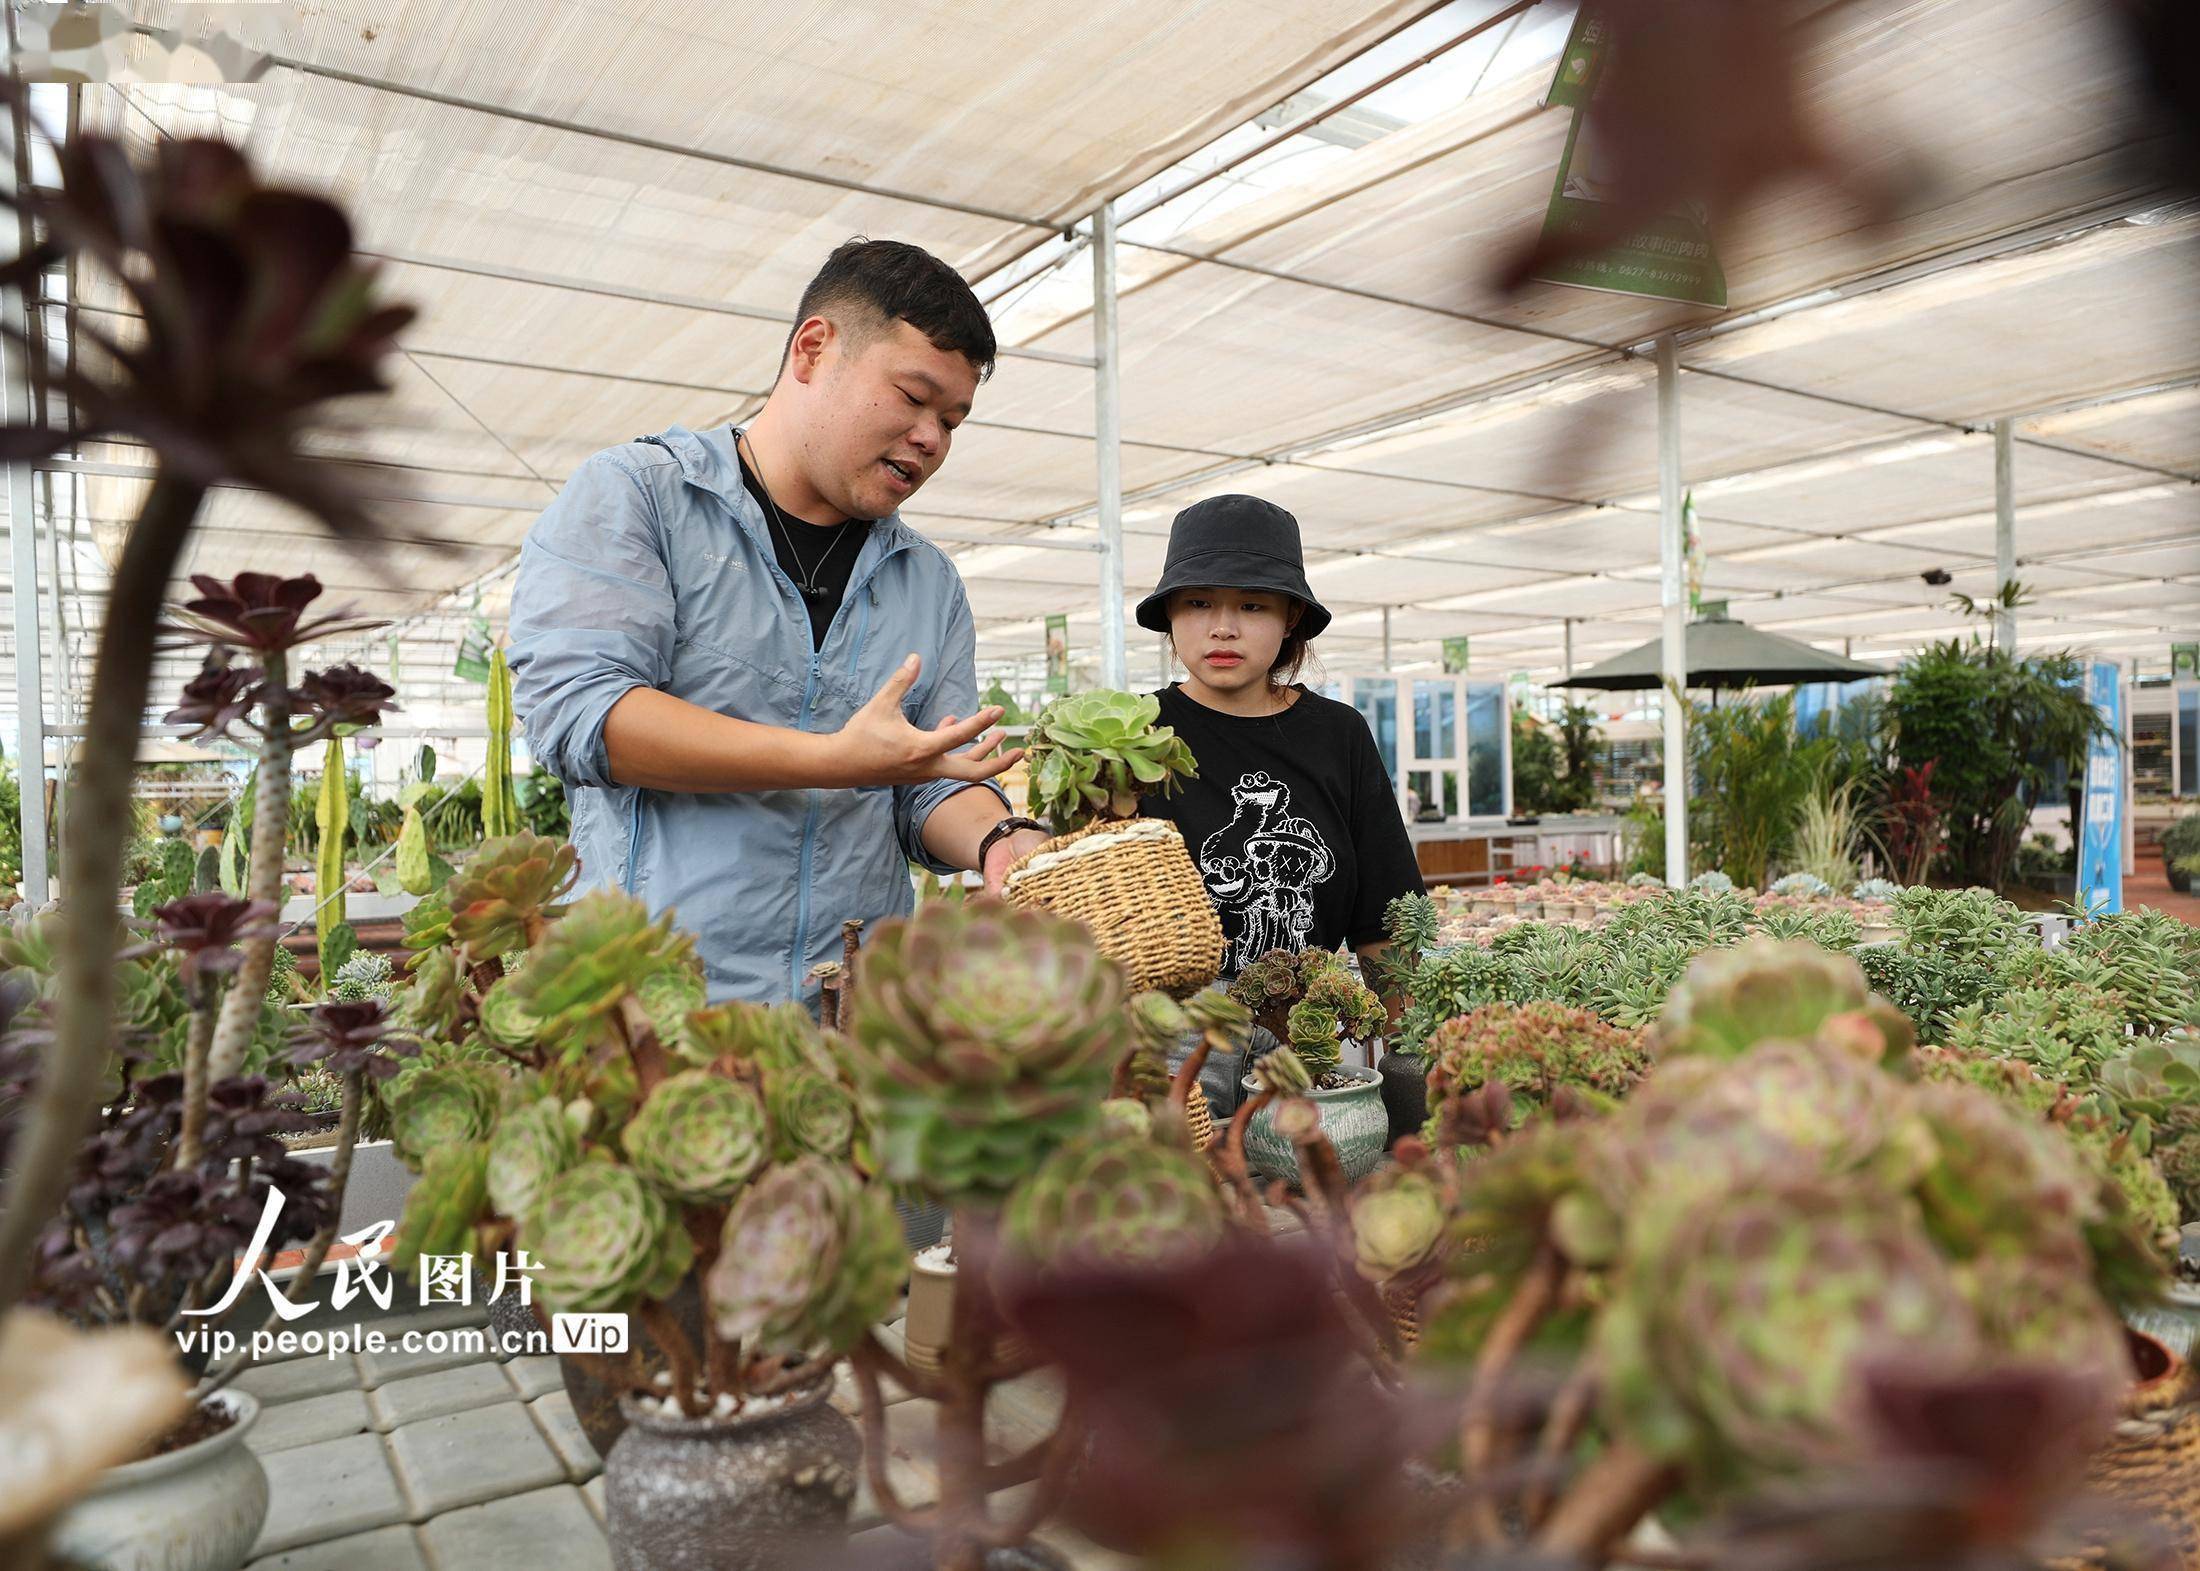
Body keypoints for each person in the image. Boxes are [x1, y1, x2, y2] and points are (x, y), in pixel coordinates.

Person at [508, 239, 1051, 1003]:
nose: (932, 438)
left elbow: (928, 781)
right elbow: (583, 714)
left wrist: (999, 841)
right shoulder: (643, 500)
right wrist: (838, 759)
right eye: (912, 396)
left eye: (953, 420)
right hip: (659, 1018)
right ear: (814, 349)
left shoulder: (925, 581)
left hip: (853, 1023)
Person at [1133, 495, 1427, 982]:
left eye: (1252, 605)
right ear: (1171, 613)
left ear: (1290, 617)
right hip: (1162, 1042)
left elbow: (1386, 917)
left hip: (1303, 1039)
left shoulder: (1339, 734)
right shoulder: (1132, 734)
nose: (1223, 628)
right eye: (1199, 603)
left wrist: (1405, 1051)